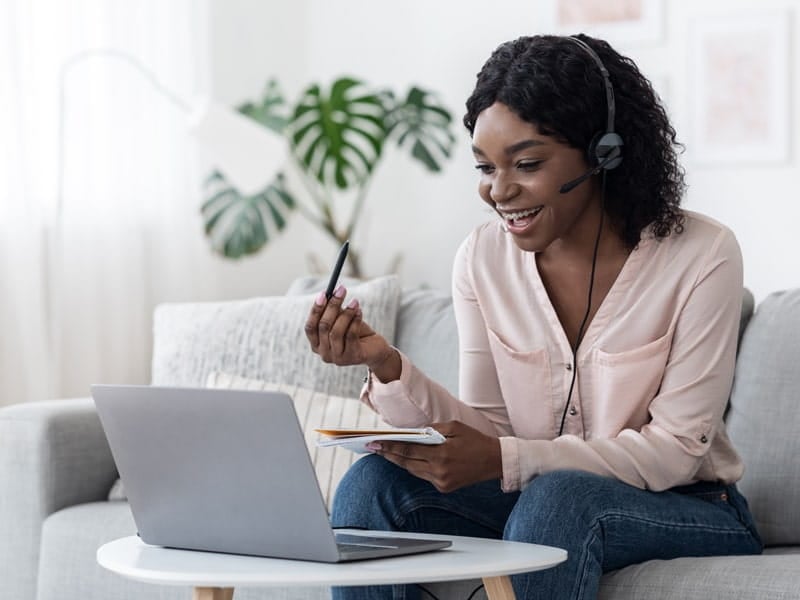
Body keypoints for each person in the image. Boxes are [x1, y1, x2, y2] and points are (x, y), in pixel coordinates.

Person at [304, 34, 762, 600]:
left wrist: (507, 458)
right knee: (371, 485)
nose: (499, 192)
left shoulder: (702, 253)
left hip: (688, 505)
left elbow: (673, 451)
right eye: (485, 167)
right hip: (536, 496)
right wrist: (385, 363)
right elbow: (488, 431)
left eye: (526, 164)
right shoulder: (481, 259)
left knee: (559, 499)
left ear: (604, 152)